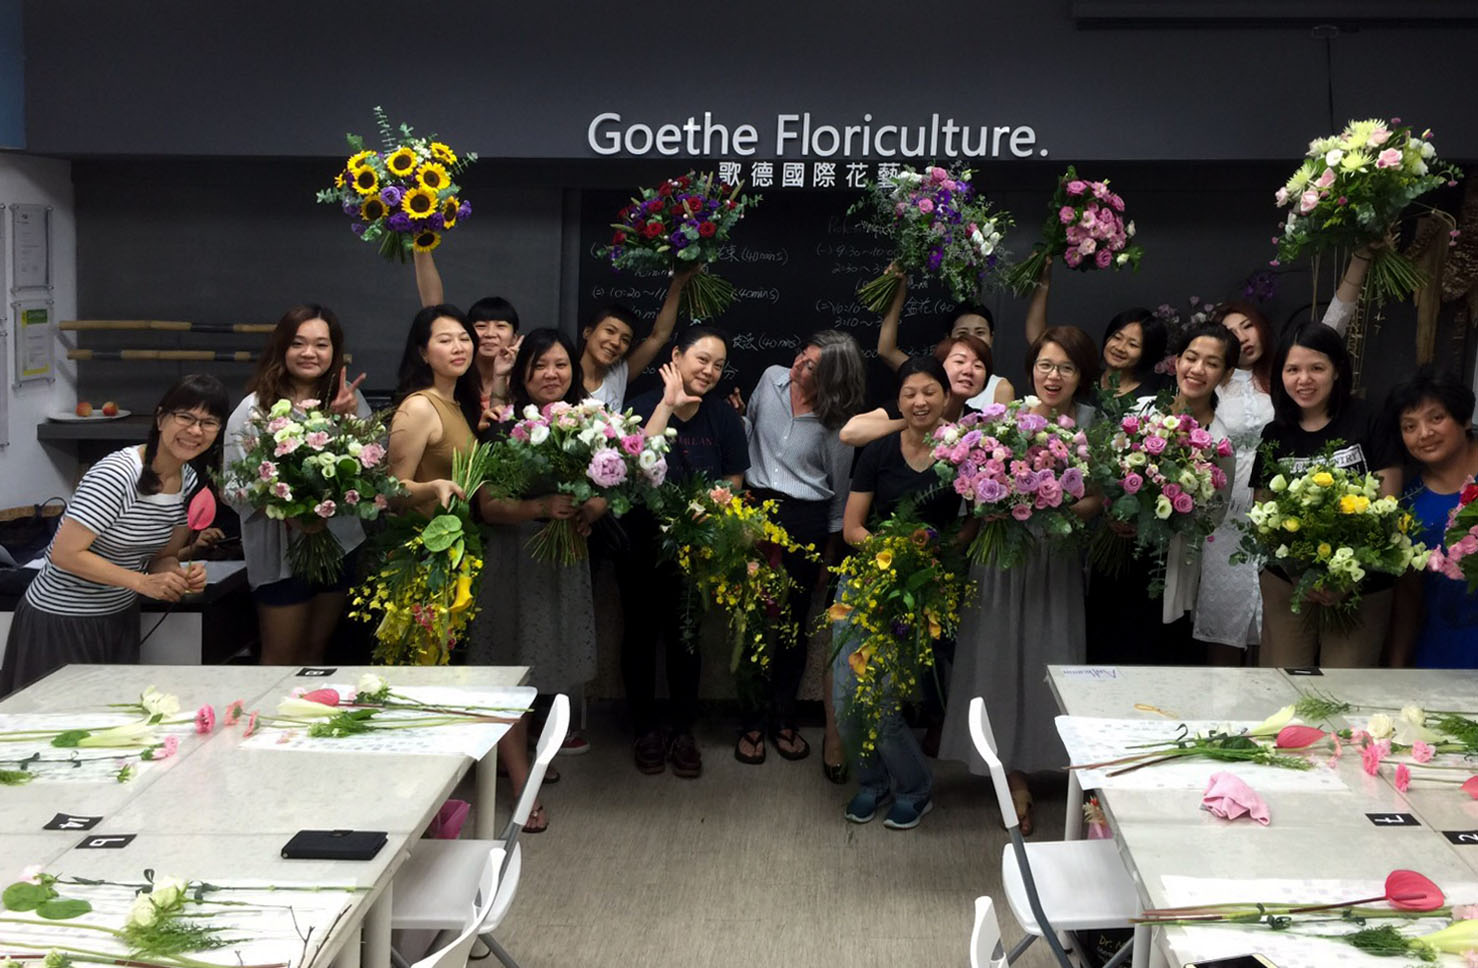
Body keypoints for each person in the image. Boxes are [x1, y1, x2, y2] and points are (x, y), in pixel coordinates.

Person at [938, 325, 1102, 835]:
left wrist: (1057, 507)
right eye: (1045, 365)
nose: (1054, 376)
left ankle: (1054, 762)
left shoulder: (1093, 425)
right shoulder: (1005, 418)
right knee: (998, 657)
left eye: (1066, 368)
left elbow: (1098, 497)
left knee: (1051, 656)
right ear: (1032, 369)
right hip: (1002, 557)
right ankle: (1009, 772)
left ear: (1081, 376)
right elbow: (971, 486)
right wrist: (1001, 499)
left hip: (1056, 557)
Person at [0, 375, 227, 696]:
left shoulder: (188, 481)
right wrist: (141, 583)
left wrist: (176, 577)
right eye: (185, 417)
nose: (195, 430)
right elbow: (65, 554)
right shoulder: (117, 474)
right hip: (60, 620)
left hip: (119, 617)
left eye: (208, 422)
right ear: (161, 419)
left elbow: (163, 556)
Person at [472, 329, 603, 832]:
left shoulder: (592, 425)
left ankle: (522, 761)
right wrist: (540, 507)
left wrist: (590, 508)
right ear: (523, 373)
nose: (552, 374)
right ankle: (520, 784)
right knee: (511, 676)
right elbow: (488, 507)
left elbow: (607, 487)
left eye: (561, 364)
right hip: (515, 562)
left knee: (546, 667)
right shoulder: (501, 429)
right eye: (540, 365)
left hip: (563, 562)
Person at [832, 356, 963, 830]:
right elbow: (852, 528)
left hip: (921, 590)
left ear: (946, 398)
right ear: (898, 400)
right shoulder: (880, 450)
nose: (919, 401)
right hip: (867, 580)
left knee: (885, 701)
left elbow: (972, 524)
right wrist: (894, 554)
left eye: (929, 392)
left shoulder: (964, 453)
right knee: (847, 699)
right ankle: (872, 783)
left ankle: (915, 788)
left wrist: (932, 555)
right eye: (909, 393)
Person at [732, 331, 864, 769]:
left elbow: (839, 494)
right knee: (751, 620)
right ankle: (750, 722)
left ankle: (783, 718)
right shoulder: (770, 379)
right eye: (801, 356)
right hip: (755, 511)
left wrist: (829, 557)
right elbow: (750, 432)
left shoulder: (837, 422)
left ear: (832, 379)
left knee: (792, 625)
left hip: (806, 518)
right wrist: (739, 421)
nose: (798, 367)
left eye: (811, 367)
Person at [622, 326, 750, 778]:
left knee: (686, 640)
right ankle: (644, 729)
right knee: (639, 637)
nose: (710, 371)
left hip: (696, 548)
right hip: (640, 542)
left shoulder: (724, 418)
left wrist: (710, 514)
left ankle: (682, 731)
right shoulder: (641, 406)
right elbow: (633, 468)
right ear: (676, 356)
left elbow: (734, 480)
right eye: (702, 360)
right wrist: (667, 405)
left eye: (718, 365)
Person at [1249, 323, 1402, 668]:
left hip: (1360, 582)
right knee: (1285, 683)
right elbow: (1262, 517)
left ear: (1337, 370)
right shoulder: (1274, 434)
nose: (1304, 379)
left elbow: (1388, 508)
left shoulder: (1371, 420)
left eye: (1316, 368)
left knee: (1344, 687)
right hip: (1288, 583)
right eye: (1292, 370)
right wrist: (1301, 574)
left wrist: (1344, 578)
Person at [224, 305, 370, 666]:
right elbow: (232, 487)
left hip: (338, 546)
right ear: (282, 348)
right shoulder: (254, 410)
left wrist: (348, 421)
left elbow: (371, 468)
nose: (309, 353)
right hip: (279, 553)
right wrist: (292, 512)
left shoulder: (348, 400)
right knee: (281, 658)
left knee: (316, 656)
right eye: (298, 343)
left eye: (321, 344)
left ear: (334, 351)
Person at [1086, 323, 1240, 666]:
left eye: (1212, 363)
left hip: (1165, 567)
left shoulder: (1219, 442)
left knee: (1154, 660)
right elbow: (1106, 472)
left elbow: (1213, 517)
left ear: (1227, 374)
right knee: (1102, 656)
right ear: (1177, 361)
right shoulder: (1142, 411)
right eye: (1191, 357)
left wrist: (1167, 518)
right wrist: (1115, 510)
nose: (1197, 369)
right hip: (1116, 555)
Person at [1192, 301, 1276, 663]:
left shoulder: (1283, 379)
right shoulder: (1212, 385)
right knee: (1224, 611)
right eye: (1231, 331)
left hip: (1272, 502)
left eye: (1247, 326)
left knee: (1271, 611)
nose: (1242, 337)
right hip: (1224, 509)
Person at [1388, 369, 1478, 668]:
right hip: (1444, 652)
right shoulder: (1410, 504)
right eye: (1409, 426)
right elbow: (1409, 598)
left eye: (1436, 418)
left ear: (1465, 419)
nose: (1424, 433)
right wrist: (1398, 668)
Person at [1022, 261, 1170, 402]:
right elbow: (1039, 338)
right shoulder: (1084, 378)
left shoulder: (1145, 400)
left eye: (1133, 344)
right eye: (1117, 337)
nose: (1120, 348)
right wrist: (1043, 284)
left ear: (1146, 353)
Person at [387, 304, 481, 515]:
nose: (458, 348)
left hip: (459, 531)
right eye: (445, 341)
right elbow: (393, 492)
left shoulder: (460, 402)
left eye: (464, 339)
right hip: (423, 532)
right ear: (423, 353)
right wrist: (433, 488)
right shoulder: (419, 407)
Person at [875, 266, 1016, 406]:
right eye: (962, 333)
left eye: (980, 333)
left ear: (991, 338)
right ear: (949, 338)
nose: (971, 339)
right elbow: (887, 351)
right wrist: (898, 293)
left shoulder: (1000, 388)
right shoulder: (927, 376)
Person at [413, 248, 520, 412]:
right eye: (481, 326)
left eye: (500, 326)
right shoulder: (457, 369)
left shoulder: (523, 380)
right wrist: (421, 247)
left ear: (515, 338)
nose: (490, 334)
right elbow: (434, 310)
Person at [579, 265, 700, 410]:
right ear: (587, 332)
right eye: (610, 331)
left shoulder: (618, 375)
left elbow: (659, 336)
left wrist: (678, 283)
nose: (616, 342)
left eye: (625, 340)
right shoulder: (564, 377)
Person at [840, 334, 991, 448]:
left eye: (978, 366)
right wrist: (913, 422)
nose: (968, 371)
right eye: (959, 361)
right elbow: (849, 433)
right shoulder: (910, 405)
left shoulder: (978, 422)